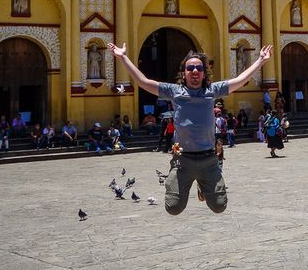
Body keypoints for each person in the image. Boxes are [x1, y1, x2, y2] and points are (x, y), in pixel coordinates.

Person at [108, 40, 273, 215]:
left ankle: (203, 186)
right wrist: (123, 57)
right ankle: (185, 184)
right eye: (190, 68)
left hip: (208, 159)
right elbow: (143, 81)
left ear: (204, 73)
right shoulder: (174, 91)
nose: (195, 71)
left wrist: (261, 60)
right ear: (184, 73)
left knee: (219, 206)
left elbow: (241, 79)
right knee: (173, 208)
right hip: (182, 160)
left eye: (199, 68)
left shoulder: (212, 90)